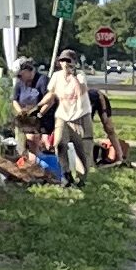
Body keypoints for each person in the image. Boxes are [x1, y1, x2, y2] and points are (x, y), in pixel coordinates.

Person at [45, 51, 97, 185]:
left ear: (74, 62)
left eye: (68, 61)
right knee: (59, 144)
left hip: (81, 116)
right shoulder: (56, 76)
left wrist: (72, 75)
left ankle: (81, 178)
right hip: (63, 116)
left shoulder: (80, 76)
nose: (65, 63)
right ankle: (66, 174)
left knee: (83, 150)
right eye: (62, 60)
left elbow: (82, 90)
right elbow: (51, 95)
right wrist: (39, 109)